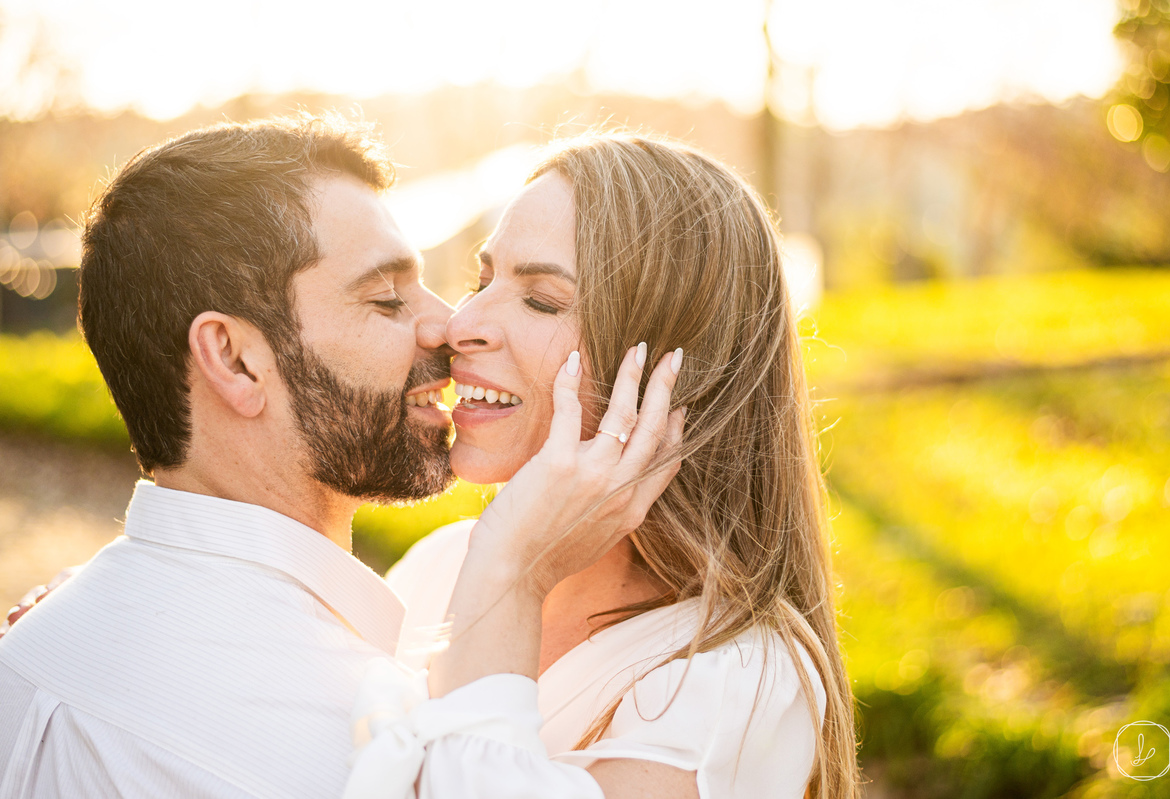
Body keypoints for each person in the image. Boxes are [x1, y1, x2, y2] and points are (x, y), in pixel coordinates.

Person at [0, 116, 680, 799]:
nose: (448, 324)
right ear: (235, 359)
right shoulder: (362, 753)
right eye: (385, 299)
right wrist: (510, 568)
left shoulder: (33, 653)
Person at [343, 134, 859, 799]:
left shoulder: (737, 679)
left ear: (673, 371)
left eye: (542, 300)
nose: (460, 323)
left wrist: (511, 573)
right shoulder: (435, 570)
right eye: (482, 280)